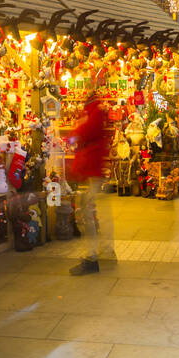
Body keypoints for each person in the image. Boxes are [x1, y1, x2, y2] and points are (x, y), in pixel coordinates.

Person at [66, 91, 113, 275]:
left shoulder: (93, 113)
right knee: (97, 211)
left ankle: (91, 257)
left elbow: (85, 131)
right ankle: (106, 251)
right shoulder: (95, 112)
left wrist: (74, 133)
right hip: (93, 170)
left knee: (86, 212)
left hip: (92, 171)